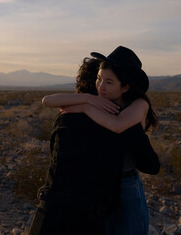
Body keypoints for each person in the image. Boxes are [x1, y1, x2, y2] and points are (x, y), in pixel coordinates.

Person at [29, 46, 159, 235]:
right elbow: (47, 100)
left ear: (125, 86)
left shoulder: (138, 105)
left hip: (124, 184)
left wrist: (85, 108)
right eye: (99, 79)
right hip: (101, 185)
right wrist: (88, 99)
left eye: (108, 82)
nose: (101, 87)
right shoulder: (99, 100)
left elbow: (117, 125)